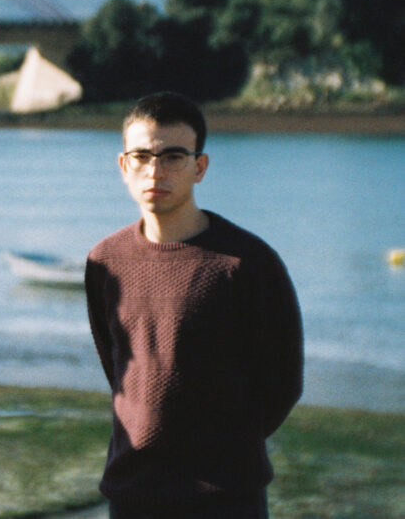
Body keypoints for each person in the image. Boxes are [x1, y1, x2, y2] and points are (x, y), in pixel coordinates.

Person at [84, 91, 303, 519]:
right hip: (131, 495)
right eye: (142, 156)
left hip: (225, 500)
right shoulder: (104, 261)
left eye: (173, 157)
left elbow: (283, 384)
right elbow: (120, 371)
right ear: (124, 166)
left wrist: (223, 452)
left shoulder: (247, 263)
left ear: (199, 167)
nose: (155, 171)